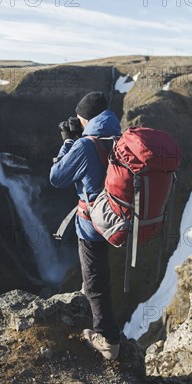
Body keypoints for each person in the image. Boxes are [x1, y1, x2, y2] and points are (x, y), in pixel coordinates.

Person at [49, 92, 122, 360]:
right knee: (97, 274)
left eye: (80, 118)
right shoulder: (119, 136)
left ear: (86, 118)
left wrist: (68, 142)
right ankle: (90, 299)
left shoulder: (85, 145)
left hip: (93, 225)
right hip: (117, 217)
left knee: (95, 280)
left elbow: (57, 178)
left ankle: (108, 340)